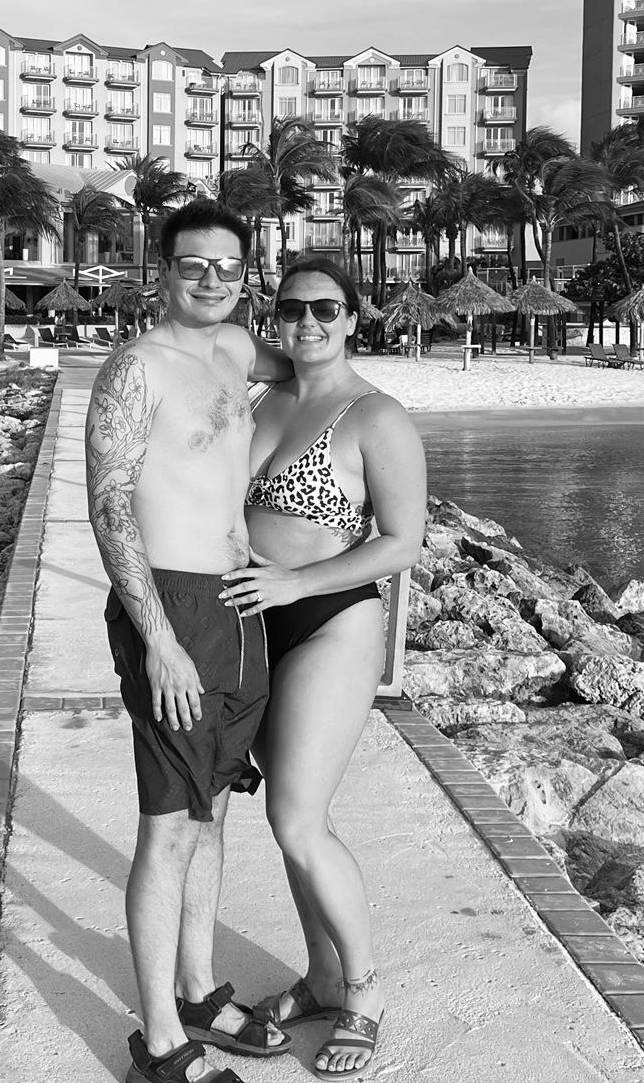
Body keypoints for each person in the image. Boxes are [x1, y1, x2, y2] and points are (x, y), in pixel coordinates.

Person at [85, 199, 294, 1083]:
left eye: (228, 267)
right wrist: (158, 640)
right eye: (193, 265)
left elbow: (311, 358)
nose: (212, 279)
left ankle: (200, 990)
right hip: (171, 605)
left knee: (213, 809)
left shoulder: (239, 349)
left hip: (241, 606)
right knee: (168, 827)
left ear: (247, 276)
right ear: (162, 272)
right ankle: (162, 1041)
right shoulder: (136, 367)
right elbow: (109, 505)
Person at [219, 257, 426, 1077]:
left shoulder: (375, 416)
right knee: (288, 817)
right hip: (252, 627)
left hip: (330, 621)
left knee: (298, 821)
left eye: (326, 309)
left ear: (353, 318)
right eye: (292, 308)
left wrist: (295, 584)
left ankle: (366, 987)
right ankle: (322, 976)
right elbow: (217, 344)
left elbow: (401, 542)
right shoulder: (266, 397)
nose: (308, 321)